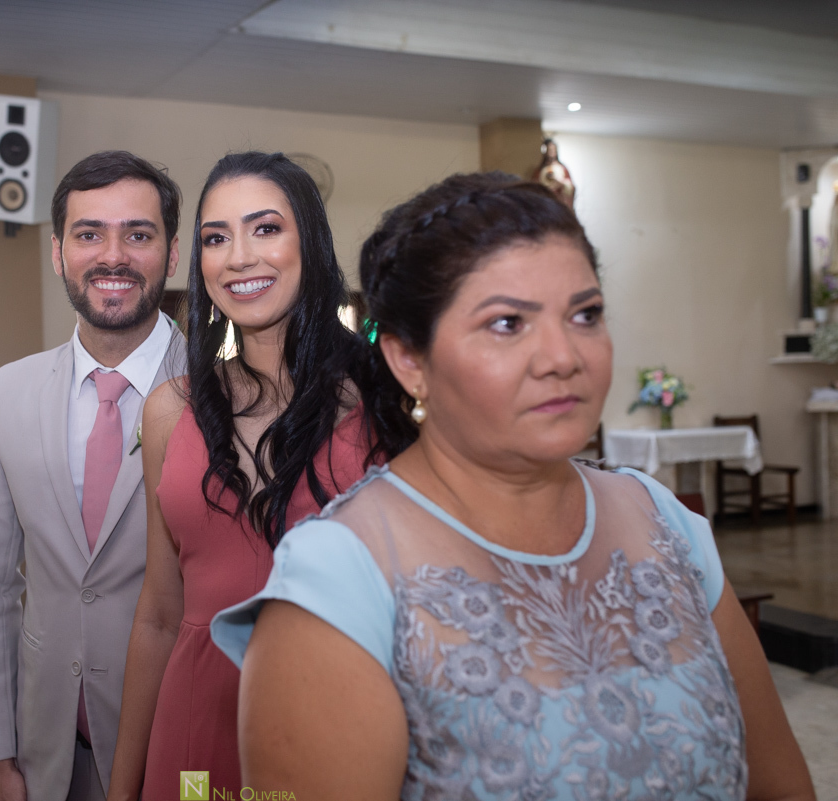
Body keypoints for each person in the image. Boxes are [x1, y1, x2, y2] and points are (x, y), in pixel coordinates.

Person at [213, 173, 816, 800]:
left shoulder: (661, 518)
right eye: (507, 323)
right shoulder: (337, 578)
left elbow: (780, 785)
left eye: (585, 315)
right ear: (410, 360)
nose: (563, 356)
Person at [107, 152, 411, 801]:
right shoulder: (170, 411)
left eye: (265, 228)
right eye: (216, 238)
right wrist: (122, 787)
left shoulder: (381, 403)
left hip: (338, 717)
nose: (239, 257)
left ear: (310, 243)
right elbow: (159, 611)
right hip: (197, 723)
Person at [0, 150, 186, 801]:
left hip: (177, 749)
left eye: (137, 234)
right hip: (46, 753)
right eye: (89, 234)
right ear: (58, 253)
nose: (113, 257)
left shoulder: (224, 397)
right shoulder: (10, 392)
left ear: (171, 254)